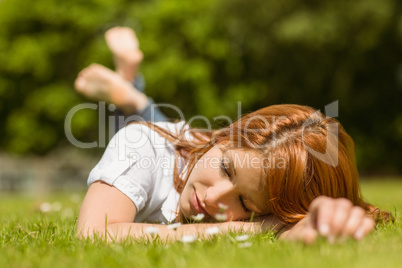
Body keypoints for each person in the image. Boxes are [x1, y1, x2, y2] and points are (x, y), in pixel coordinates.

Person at [74, 27, 392, 244]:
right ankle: (131, 92)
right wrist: (250, 229)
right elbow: (92, 233)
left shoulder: (243, 166)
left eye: (243, 201)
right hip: (162, 142)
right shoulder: (143, 146)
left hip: (193, 144)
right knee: (148, 132)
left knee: (174, 138)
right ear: (223, 137)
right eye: (227, 169)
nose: (212, 199)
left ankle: (129, 85)